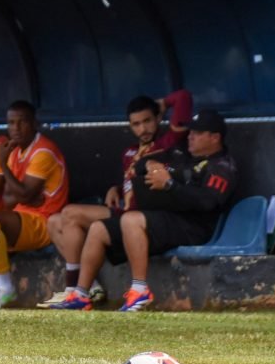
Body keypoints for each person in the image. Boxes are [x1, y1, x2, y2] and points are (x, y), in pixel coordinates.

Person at [55, 110, 237, 312]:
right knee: (98, 229)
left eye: (197, 133)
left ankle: (139, 290)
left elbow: (207, 202)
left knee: (131, 220)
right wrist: (152, 164)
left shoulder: (221, 165)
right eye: (191, 131)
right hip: (166, 217)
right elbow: (141, 163)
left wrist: (169, 185)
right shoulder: (181, 153)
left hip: (193, 226)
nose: (190, 136)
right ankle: (81, 294)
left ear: (215, 137)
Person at [39, 89, 192, 308]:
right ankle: (81, 292)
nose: (143, 129)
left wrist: (161, 103)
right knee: (56, 220)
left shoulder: (168, 142)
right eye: (136, 124)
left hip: (144, 215)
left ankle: (74, 288)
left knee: (71, 213)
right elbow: (132, 183)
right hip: (124, 210)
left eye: (147, 121)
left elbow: (184, 97)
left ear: (158, 118)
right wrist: (116, 189)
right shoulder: (129, 152)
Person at [0, 100, 68, 306]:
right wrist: (26, 195)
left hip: (45, 222)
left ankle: (5, 287)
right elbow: (9, 198)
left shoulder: (43, 151)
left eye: (22, 122)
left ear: (34, 123)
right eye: (11, 123)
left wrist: (3, 166)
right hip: (23, 216)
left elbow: (21, 195)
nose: (15, 128)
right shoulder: (15, 151)